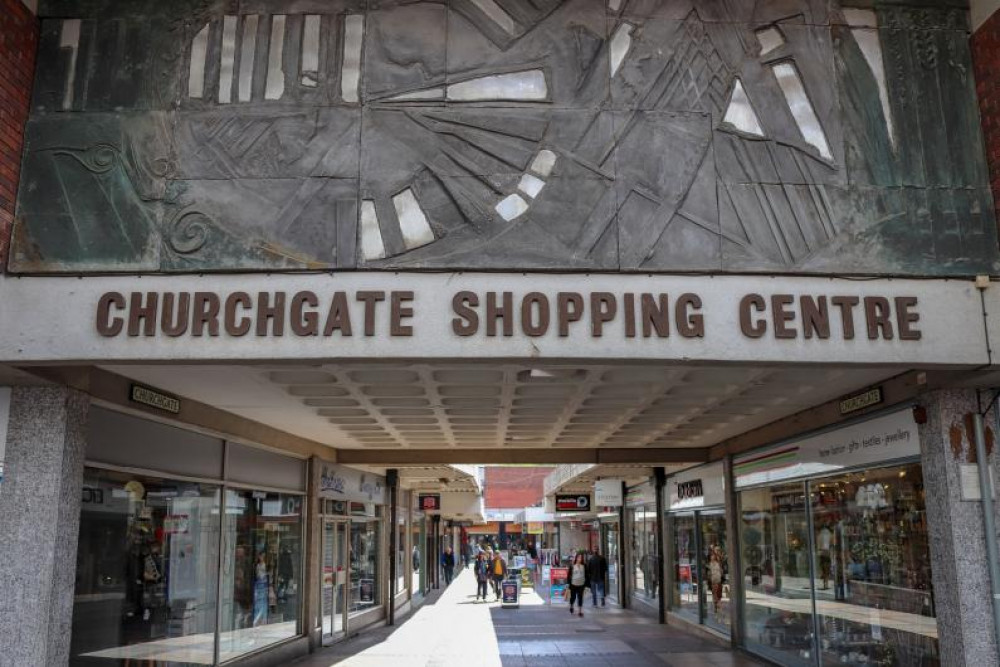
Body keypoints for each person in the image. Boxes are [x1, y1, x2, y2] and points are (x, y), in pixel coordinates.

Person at [569, 553, 589, 617]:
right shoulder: (572, 566)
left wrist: (587, 584)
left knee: (580, 598)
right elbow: (569, 575)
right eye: (578, 557)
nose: (580, 559)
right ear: (576, 558)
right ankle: (571, 606)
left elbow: (586, 575)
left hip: (581, 584)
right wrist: (568, 584)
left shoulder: (584, 566)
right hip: (573, 584)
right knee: (573, 597)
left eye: (581, 558)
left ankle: (580, 611)